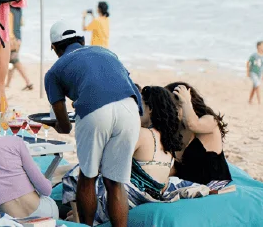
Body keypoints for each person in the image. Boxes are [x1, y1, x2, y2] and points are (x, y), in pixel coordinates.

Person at [45, 22, 142, 227]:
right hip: (130, 109)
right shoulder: (106, 52)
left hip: (95, 113)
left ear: (54, 48)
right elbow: (133, 90)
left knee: (88, 176)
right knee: (115, 183)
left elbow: (64, 126)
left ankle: (86, 226)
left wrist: (56, 125)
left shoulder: (53, 72)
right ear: (82, 40)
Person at [59, 85, 184, 224]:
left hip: (132, 198)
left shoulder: (142, 134)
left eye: (140, 105)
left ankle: (80, 222)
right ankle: (80, 216)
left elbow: (107, 162)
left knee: (75, 175)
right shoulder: (168, 139)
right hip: (152, 196)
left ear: (150, 109)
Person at [164, 81, 231, 185]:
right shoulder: (174, 130)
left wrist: (185, 102)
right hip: (188, 186)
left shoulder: (209, 121)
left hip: (214, 186)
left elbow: (192, 124)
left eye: (174, 105)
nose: (170, 110)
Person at [5, 0, 33, 90]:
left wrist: (11, 38)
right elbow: (21, 23)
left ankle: (28, 81)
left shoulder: (9, 10)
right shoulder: (18, 9)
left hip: (12, 39)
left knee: (15, 60)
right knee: (12, 60)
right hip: (18, 37)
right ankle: (7, 84)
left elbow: (9, 25)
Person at [247, 41, 263, 105]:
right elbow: (248, 63)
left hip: (259, 74)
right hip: (253, 72)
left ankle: (250, 100)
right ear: (258, 47)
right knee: (257, 86)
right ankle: (259, 102)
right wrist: (247, 72)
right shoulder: (254, 55)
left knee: (254, 87)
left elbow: (262, 66)